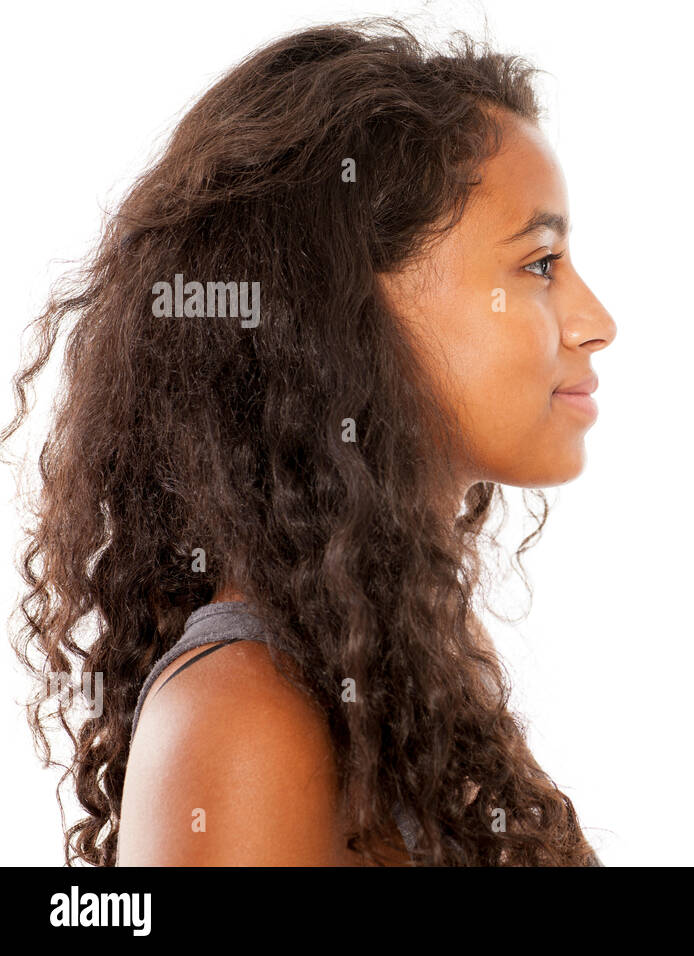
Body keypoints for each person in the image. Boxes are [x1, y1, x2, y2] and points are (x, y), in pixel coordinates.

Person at [3, 18, 615, 866]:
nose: (597, 323)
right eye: (539, 263)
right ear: (356, 309)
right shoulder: (246, 715)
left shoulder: (392, 670)